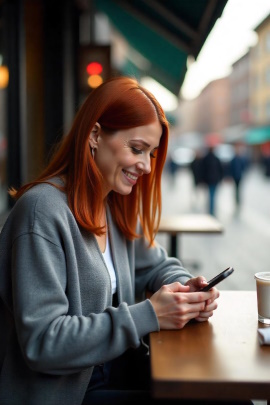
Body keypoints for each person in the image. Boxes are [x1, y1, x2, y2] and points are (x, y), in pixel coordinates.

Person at [0, 77, 250, 405]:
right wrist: (149, 315)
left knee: (231, 397)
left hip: (116, 370)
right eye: (137, 149)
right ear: (94, 135)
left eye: (152, 153)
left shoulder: (110, 204)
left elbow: (158, 265)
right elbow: (43, 342)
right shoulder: (42, 212)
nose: (146, 166)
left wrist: (186, 289)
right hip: (69, 393)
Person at [201, 146, 224, 216]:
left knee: (210, 195)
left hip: (209, 180)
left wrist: (203, 180)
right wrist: (220, 178)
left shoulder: (206, 158)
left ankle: (211, 209)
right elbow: (221, 169)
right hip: (215, 180)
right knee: (213, 195)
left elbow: (202, 170)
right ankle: (212, 209)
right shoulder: (216, 158)